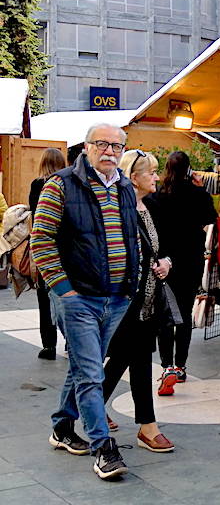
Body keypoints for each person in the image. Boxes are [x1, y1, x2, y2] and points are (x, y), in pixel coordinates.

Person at [30, 123, 139, 480]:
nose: (109, 151)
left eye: (116, 146)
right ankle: (103, 449)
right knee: (92, 373)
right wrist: (65, 291)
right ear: (86, 148)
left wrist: (130, 283)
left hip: (116, 298)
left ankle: (62, 427)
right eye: (102, 144)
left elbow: (129, 235)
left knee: (82, 367)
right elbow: (41, 241)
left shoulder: (123, 185)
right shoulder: (60, 184)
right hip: (78, 299)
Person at [103, 149, 175, 453]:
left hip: (148, 299)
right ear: (134, 177)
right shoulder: (118, 210)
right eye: (152, 172)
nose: (157, 177)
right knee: (137, 358)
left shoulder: (151, 206)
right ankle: (147, 426)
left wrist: (166, 262)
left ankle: (80, 409)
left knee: (124, 358)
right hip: (123, 300)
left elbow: (162, 246)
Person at [154, 151, 216, 392]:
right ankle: (181, 365)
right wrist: (201, 190)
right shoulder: (198, 194)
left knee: (165, 314)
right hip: (191, 258)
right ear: (189, 169)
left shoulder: (158, 195)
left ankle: (166, 365)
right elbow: (210, 219)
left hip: (165, 260)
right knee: (185, 313)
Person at [29, 148, 67, 360]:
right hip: (68, 250)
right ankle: (72, 341)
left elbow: (37, 217)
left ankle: (49, 345)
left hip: (47, 249)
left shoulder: (38, 185)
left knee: (45, 297)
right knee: (69, 295)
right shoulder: (69, 184)